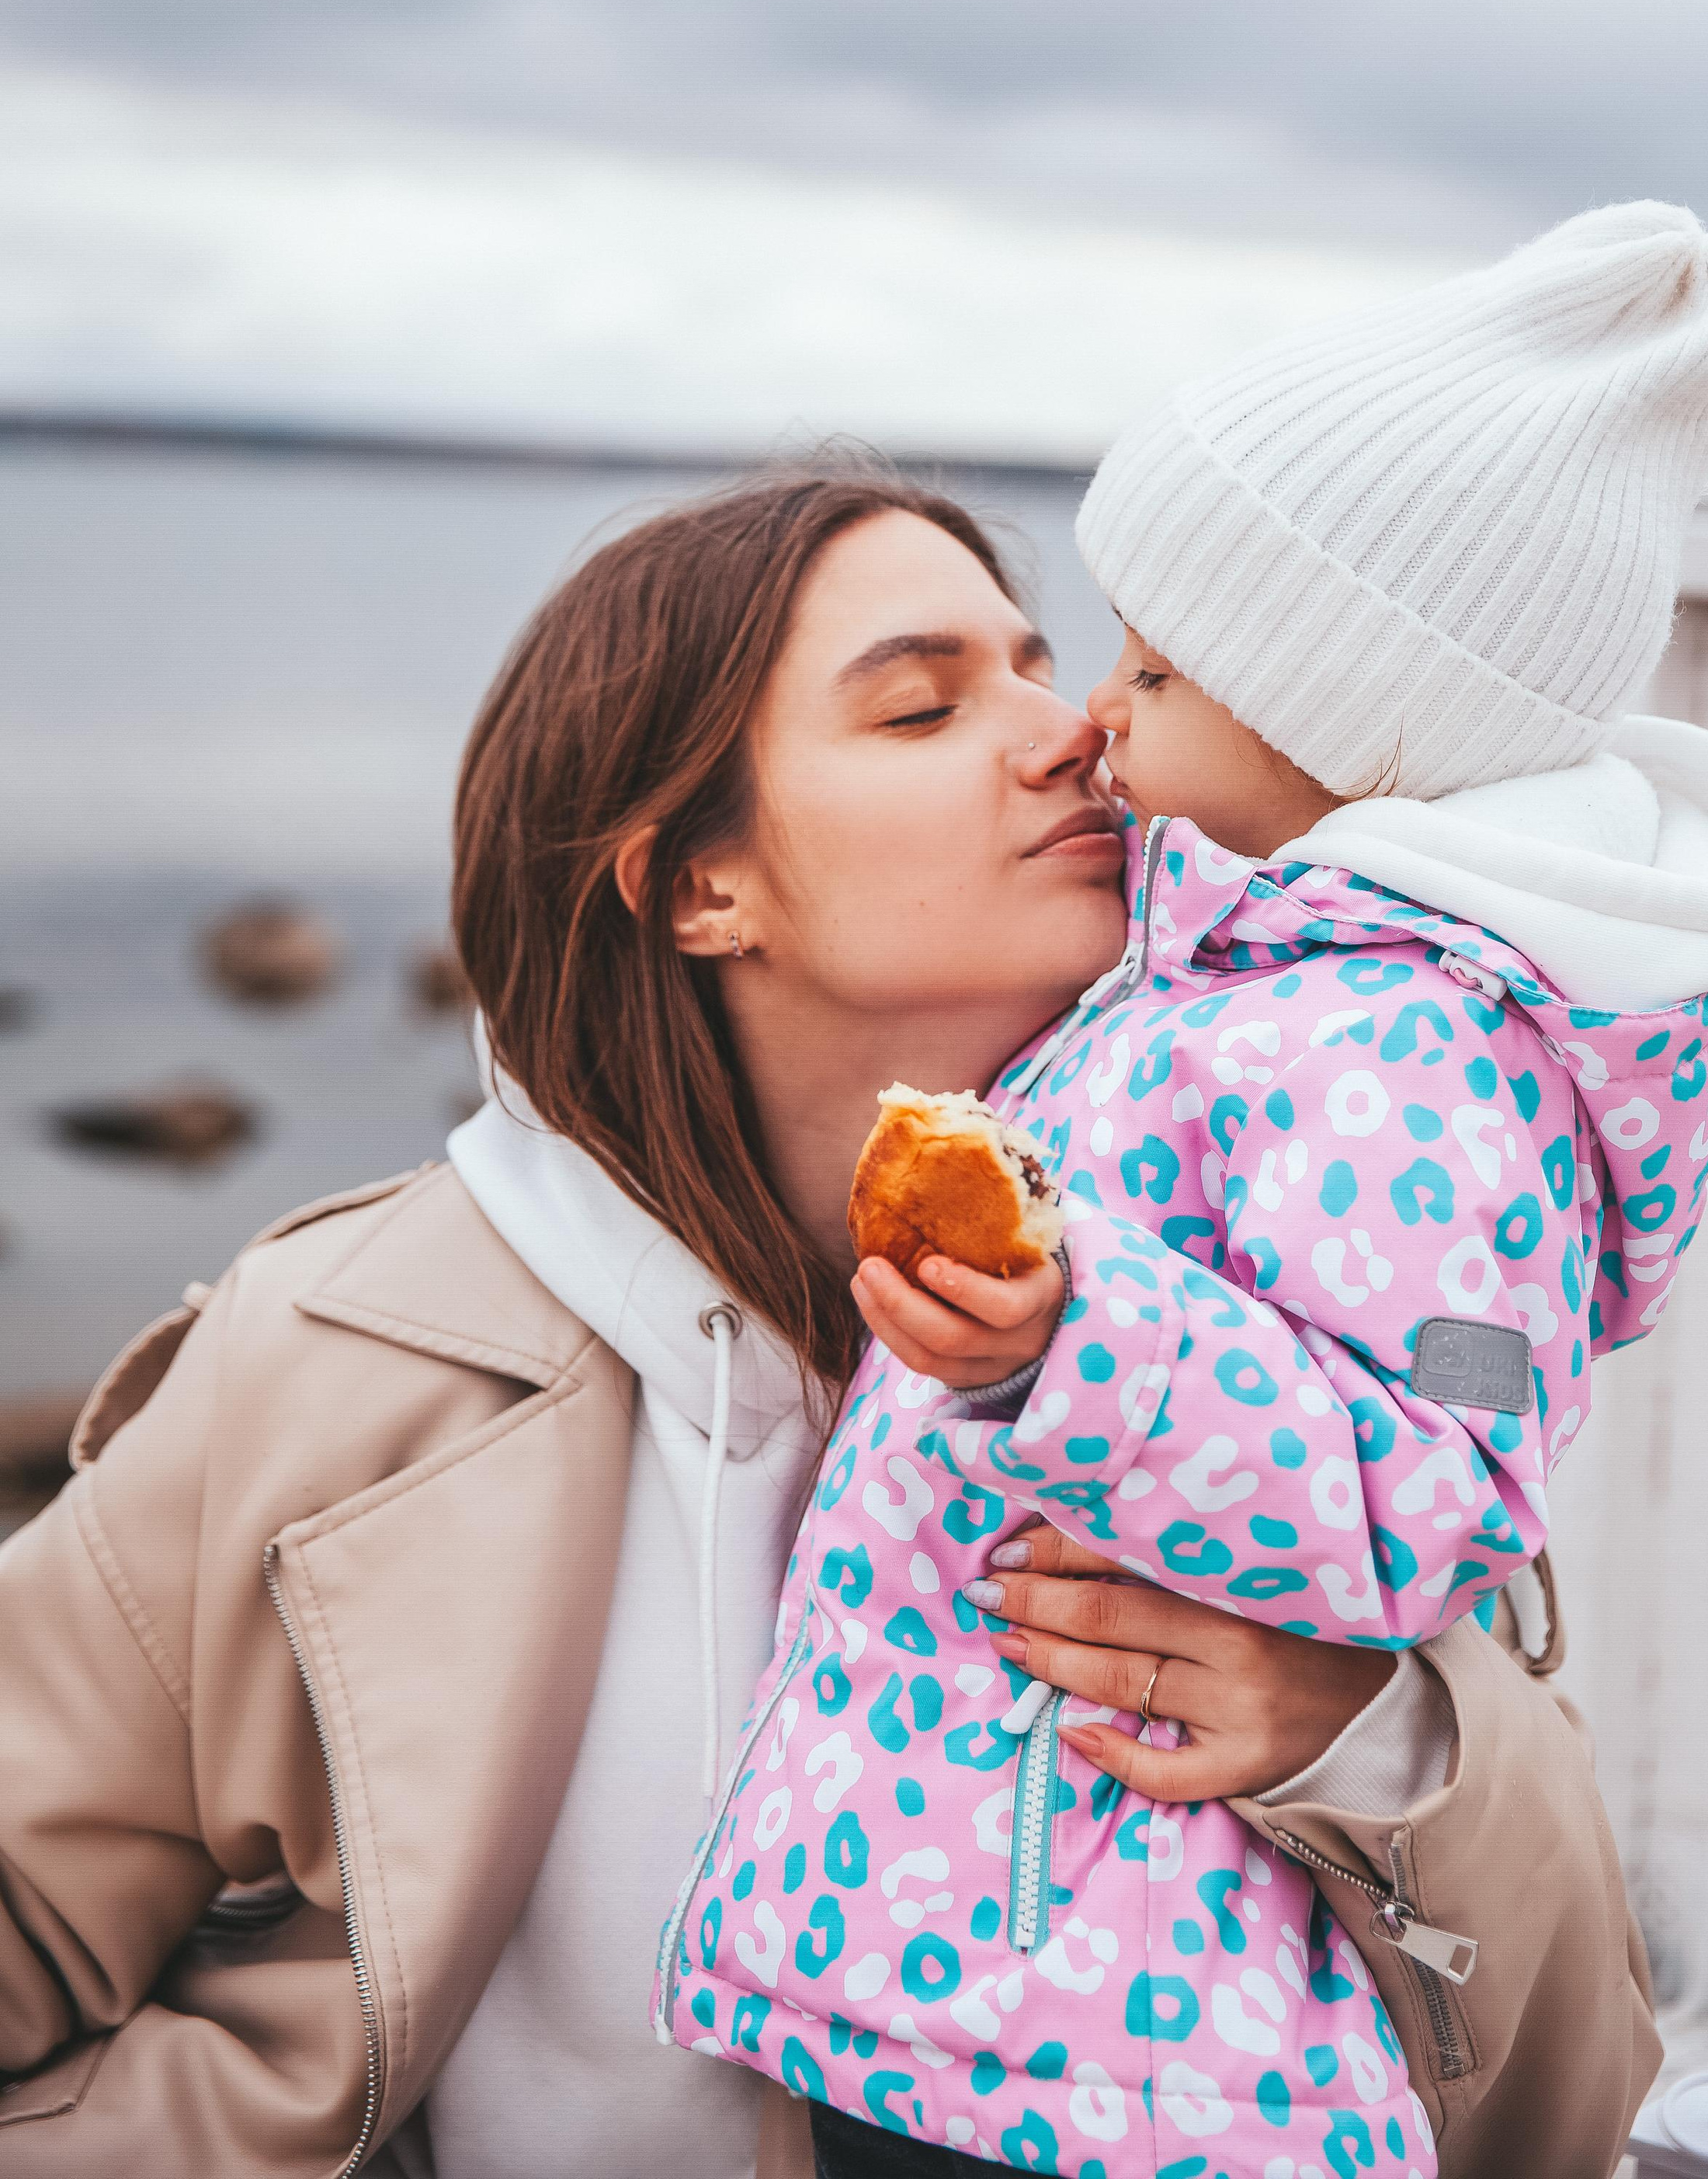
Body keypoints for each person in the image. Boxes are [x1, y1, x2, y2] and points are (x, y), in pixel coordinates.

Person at [0, 463, 1390, 2178]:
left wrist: (1368, 1737)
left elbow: (1557, 2020)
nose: (1075, 732)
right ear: (695, 891)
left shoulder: (1276, 1296)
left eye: (1044, 668)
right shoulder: (348, 1356)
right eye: (919, 707)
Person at [670, 204, 1708, 2179]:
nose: (1091, 724)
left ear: (1348, 724)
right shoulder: (1222, 988)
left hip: (1125, 2060)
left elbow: (1429, 1500)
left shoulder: (1406, 1057)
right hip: (962, 1982)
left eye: (1145, 670)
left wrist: (1075, 1335)